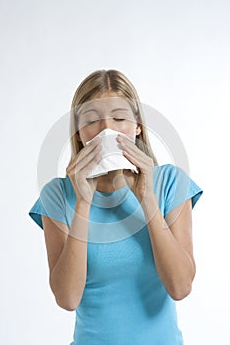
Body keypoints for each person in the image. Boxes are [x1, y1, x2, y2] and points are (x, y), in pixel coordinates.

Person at [28, 69, 203, 345]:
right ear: (79, 133)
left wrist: (146, 197)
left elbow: (180, 287)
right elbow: (67, 298)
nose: (106, 130)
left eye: (119, 118)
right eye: (92, 120)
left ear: (137, 126)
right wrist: (84, 201)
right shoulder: (58, 195)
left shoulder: (170, 182)